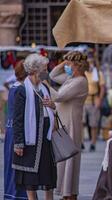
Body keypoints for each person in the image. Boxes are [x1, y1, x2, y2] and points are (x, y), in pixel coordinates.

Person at [12, 54, 57, 200]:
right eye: (44, 69)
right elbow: (18, 119)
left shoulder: (44, 87)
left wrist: (53, 106)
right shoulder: (22, 90)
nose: (46, 72)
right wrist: (18, 143)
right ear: (35, 70)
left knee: (47, 178)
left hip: (45, 140)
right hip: (30, 140)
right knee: (31, 180)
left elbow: (51, 109)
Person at [47, 51, 88, 200]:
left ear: (77, 66)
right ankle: (65, 192)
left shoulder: (80, 81)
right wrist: (64, 63)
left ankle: (69, 193)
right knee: (63, 160)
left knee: (70, 159)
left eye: (70, 65)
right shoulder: (71, 78)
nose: (67, 68)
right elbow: (53, 75)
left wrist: (45, 85)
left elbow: (58, 96)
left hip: (72, 124)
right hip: (64, 122)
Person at [4, 60, 28, 200]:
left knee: (12, 166)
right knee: (17, 166)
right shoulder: (20, 89)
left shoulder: (14, 87)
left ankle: (12, 194)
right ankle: (17, 195)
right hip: (16, 132)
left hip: (11, 130)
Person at [82, 57, 105, 151]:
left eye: (91, 62)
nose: (90, 64)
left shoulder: (98, 74)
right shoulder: (83, 73)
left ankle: (93, 143)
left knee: (93, 124)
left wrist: (99, 98)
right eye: (88, 63)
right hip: (83, 100)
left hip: (93, 100)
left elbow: (102, 87)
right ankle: (81, 142)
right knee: (81, 123)